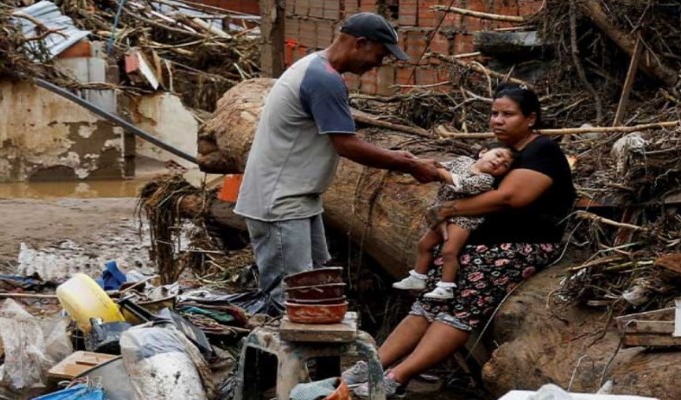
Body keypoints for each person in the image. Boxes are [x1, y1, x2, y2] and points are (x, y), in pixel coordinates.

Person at [343, 84, 576, 398]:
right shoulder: (501, 153)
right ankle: (370, 367)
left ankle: (396, 377)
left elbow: (510, 197)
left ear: (530, 118)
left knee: (460, 310)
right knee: (428, 303)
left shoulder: (542, 151)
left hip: (519, 246)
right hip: (478, 244)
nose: (498, 120)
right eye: (494, 113)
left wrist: (448, 210)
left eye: (508, 114)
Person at [233, 12, 439, 304]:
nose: (378, 64)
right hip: (280, 202)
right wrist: (408, 164)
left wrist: (399, 157)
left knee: (317, 287)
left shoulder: (317, 68)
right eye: (380, 55)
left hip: (296, 199)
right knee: (290, 298)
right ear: (361, 43)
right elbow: (346, 145)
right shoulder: (323, 79)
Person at [392, 146, 515, 299]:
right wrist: (420, 164)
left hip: (463, 219)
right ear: (483, 152)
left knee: (449, 251)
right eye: (498, 155)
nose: (499, 162)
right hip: (441, 214)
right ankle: (418, 277)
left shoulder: (486, 179)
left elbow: (463, 185)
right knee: (424, 245)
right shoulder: (462, 161)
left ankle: (446, 286)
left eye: (505, 165)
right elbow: (442, 166)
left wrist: (441, 174)